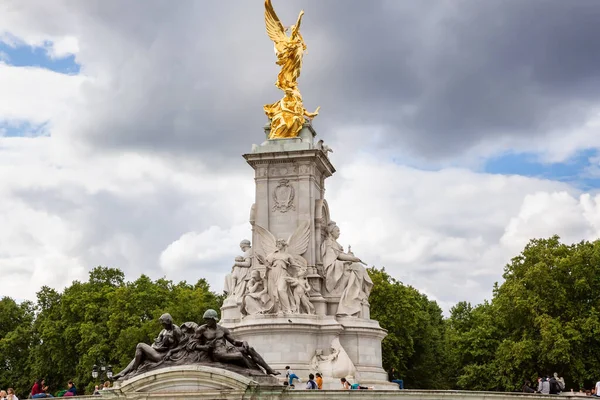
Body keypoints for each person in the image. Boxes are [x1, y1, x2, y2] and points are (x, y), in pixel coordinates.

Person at [188, 309, 279, 375]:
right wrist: (203, 347)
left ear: (214, 319)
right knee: (239, 355)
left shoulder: (222, 329)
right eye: (206, 319)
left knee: (250, 348)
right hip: (217, 353)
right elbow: (191, 344)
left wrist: (243, 342)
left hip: (227, 349)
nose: (206, 321)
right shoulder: (202, 329)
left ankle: (268, 369)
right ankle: (254, 371)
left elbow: (234, 342)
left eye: (208, 319)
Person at [113, 313, 181, 380]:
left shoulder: (176, 330)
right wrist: (157, 343)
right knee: (139, 353)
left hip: (163, 356)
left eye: (164, 324)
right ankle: (124, 372)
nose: (163, 326)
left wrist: (171, 352)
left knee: (140, 346)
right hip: (158, 351)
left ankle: (134, 370)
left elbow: (182, 345)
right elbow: (157, 342)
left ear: (169, 321)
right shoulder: (163, 331)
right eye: (162, 324)